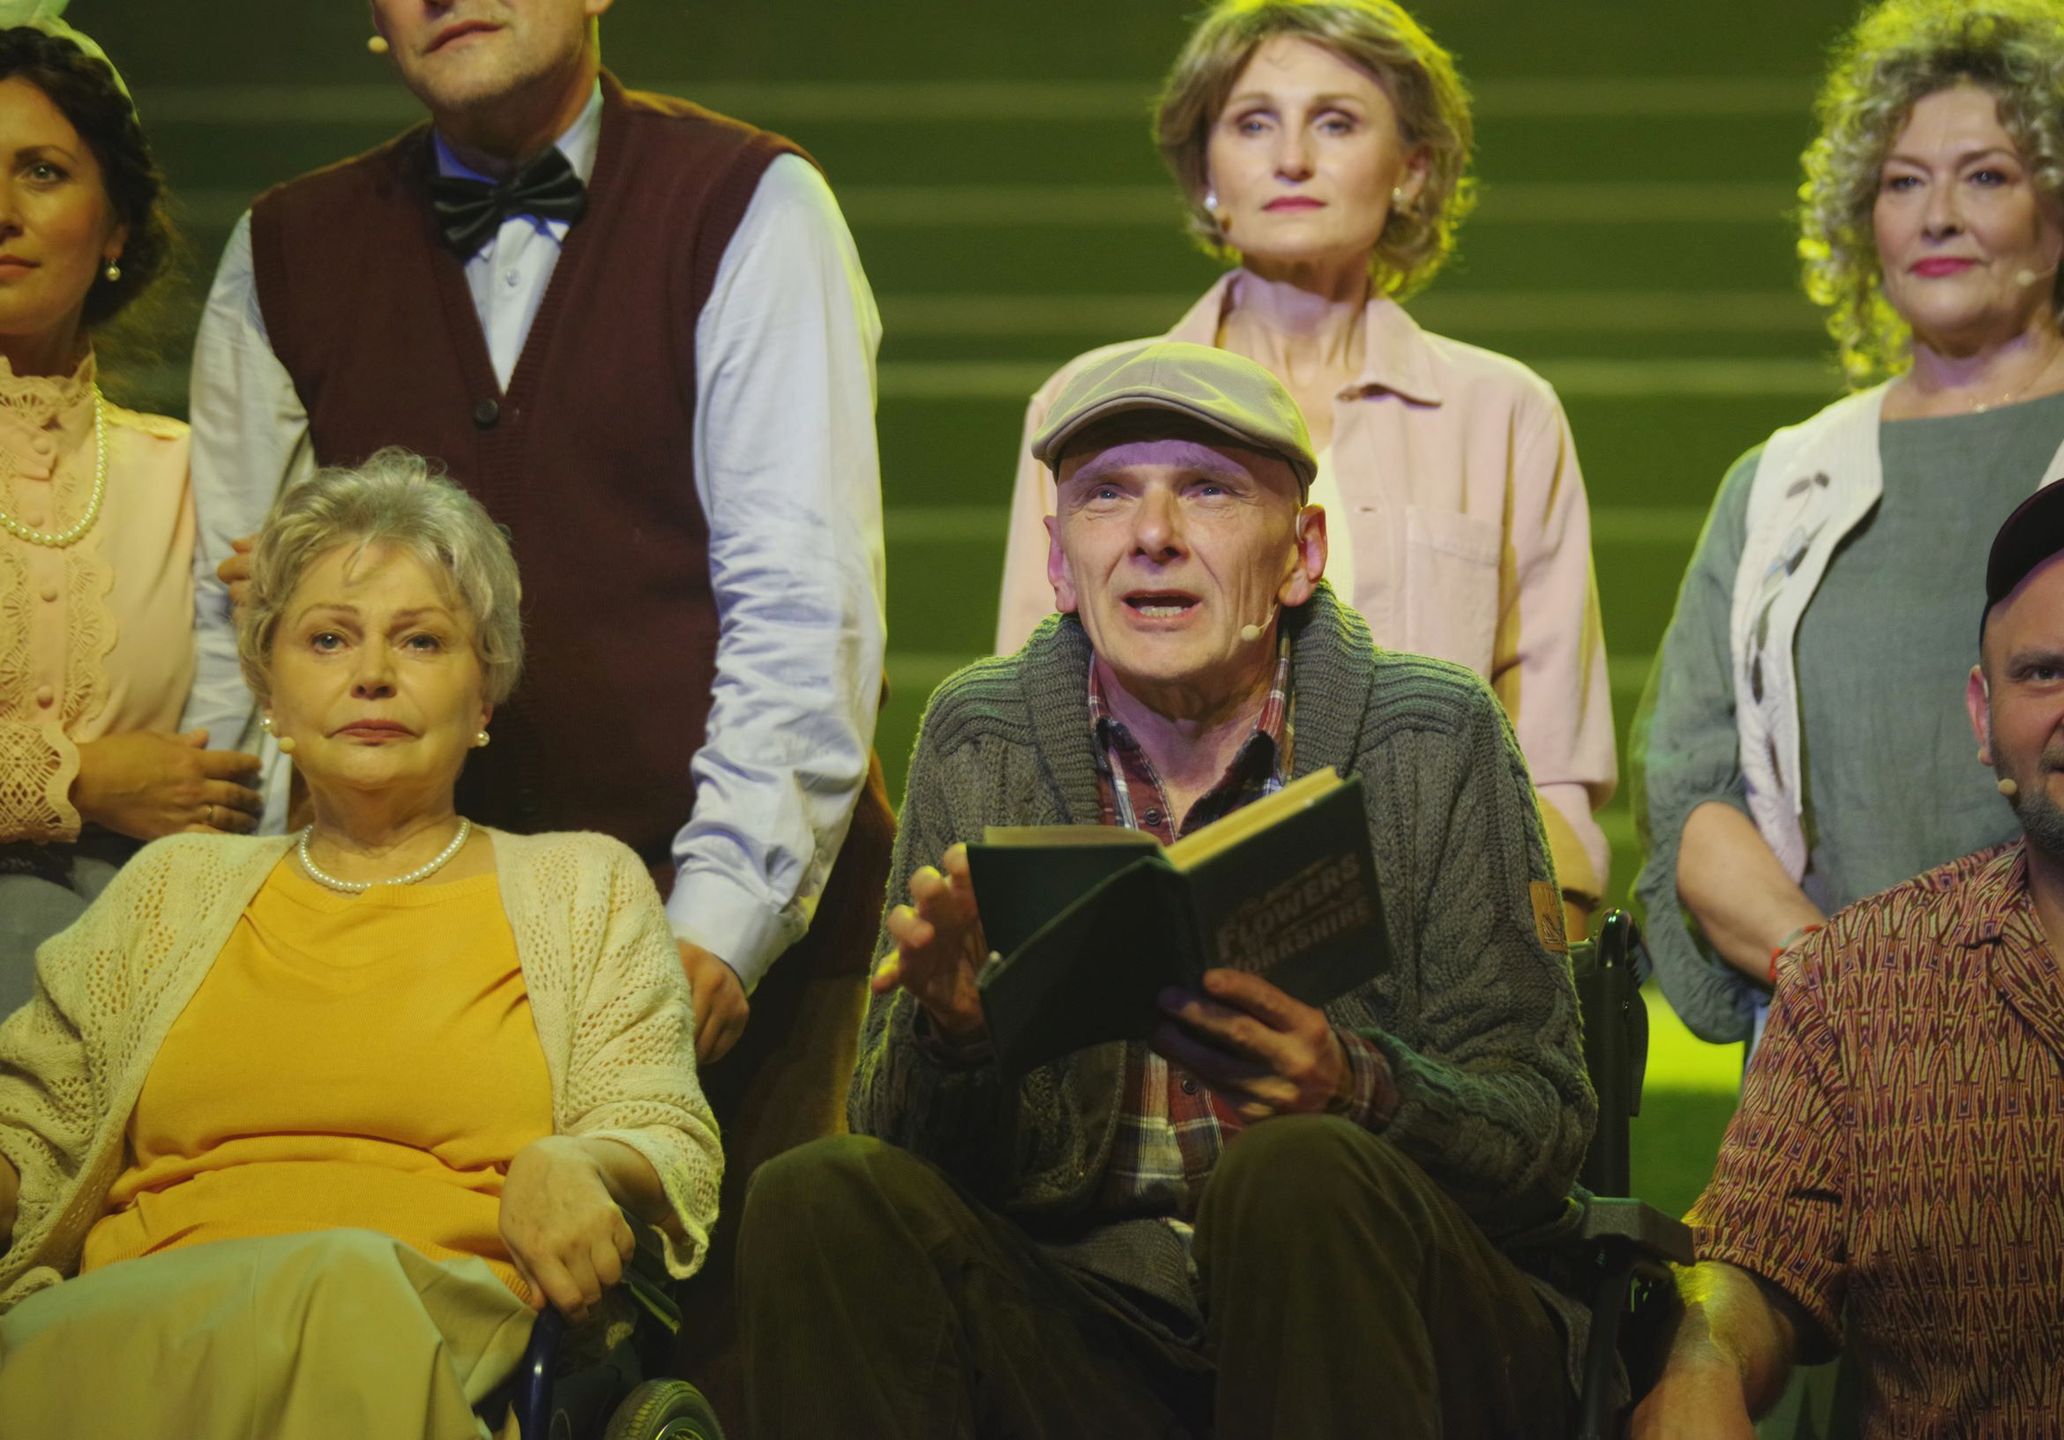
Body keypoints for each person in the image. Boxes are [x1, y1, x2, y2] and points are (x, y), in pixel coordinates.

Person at [182, 1, 891, 1410]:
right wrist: (246, 945)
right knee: (412, 1365)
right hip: (406, 944)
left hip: (719, 924)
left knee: (741, 1374)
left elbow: (801, 601)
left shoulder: (747, 203)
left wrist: (716, 927)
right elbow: (243, 647)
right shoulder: (284, 247)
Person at [737, 341, 1594, 1439]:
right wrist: (956, 1042)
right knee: (818, 1194)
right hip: (1093, 1325)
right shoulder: (982, 737)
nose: (1152, 534)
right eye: (1105, 495)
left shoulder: (1430, 733)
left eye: (1208, 490)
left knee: (1296, 1169)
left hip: (1375, 1310)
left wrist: (1357, 1090)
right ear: (1059, 564)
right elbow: (904, 1144)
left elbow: (1542, 1128)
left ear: (1300, 554)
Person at [0, 450, 722, 1438]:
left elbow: (661, 1125)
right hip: (143, 1326)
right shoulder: (172, 887)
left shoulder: (578, 886)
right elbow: (33, 1128)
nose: (372, 675)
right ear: (271, 693)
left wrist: (584, 1159)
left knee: (338, 1285)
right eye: (329, 639)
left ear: (483, 696)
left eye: (420, 641)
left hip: (431, 1332)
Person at [994, 0, 1615, 933]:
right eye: (1252, 123)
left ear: (1410, 169)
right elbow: (1029, 706)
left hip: (1434, 934)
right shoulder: (1083, 402)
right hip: (1144, 931)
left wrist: (1527, 972)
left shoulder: (1503, 411)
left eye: (1335, 122)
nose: (1291, 158)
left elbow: (1553, 763)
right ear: (1206, 171)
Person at [1632, 0, 2064, 1048]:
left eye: (1986, 177)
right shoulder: (1781, 483)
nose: (1936, 216)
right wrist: (1849, 993)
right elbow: (1692, 792)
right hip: (1848, 1057)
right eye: (1902, 182)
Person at [1631, 464, 2064, 1437]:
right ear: (1981, 718)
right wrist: (1700, 1356)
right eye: (2045, 673)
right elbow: (1748, 1265)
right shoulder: (1857, 979)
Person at [0, 17, 262, 1013]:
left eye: (42, 172)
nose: (0, 212)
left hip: (161, 946)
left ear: (116, 227)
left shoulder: (197, 477)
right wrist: (74, 779)